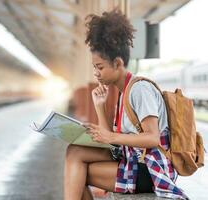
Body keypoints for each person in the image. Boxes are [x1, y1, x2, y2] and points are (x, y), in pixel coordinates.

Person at [64, 9, 188, 200]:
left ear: (118, 63)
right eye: (94, 68)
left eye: (100, 67)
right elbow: (110, 141)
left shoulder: (140, 90)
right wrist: (99, 106)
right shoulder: (124, 92)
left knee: (76, 172)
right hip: (133, 160)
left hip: (152, 168)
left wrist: (110, 135)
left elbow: (152, 138)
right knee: (74, 152)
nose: (96, 73)